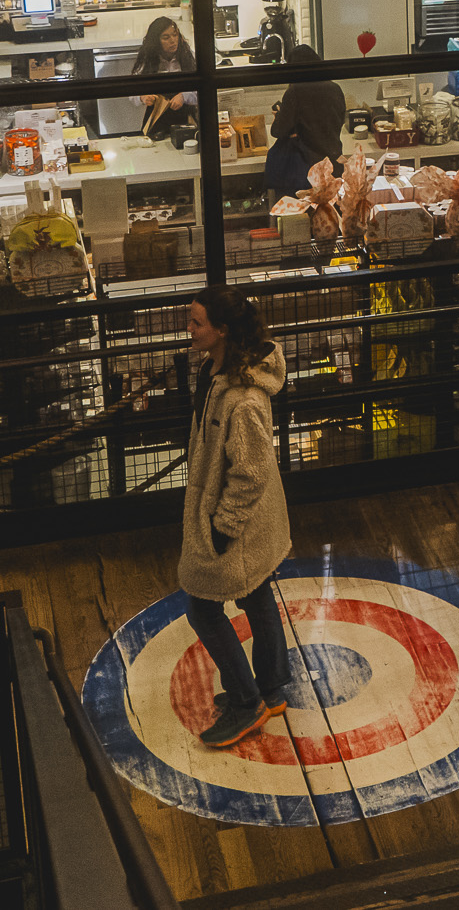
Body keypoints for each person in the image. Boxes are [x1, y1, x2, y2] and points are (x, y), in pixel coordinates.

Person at [180, 285, 292, 748]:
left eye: (196, 323)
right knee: (258, 593)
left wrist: (222, 528)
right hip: (259, 522)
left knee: (202, 607)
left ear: (221, 331)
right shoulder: (215, 371)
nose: (188, 329)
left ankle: (248, 704)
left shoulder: (242, 400)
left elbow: (249, 473)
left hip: (237, 524)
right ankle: (271, 686)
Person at [265, 44, 347, 193]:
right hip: (333, 164)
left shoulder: (295, 91)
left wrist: (279, 115)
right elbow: (340, 120)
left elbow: (278, 131)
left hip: (306, 169)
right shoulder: (335, 88)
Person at [131, 15, 197, 137]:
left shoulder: (188, 57)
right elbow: (131, 90)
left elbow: (202, 90)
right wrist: (143, 97)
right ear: (156, 41)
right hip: (156, 119)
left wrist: (184, 96)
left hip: (185, 119)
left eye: (175, 34)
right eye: (166, 37)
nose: (173, 40)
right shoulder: (147, 60)